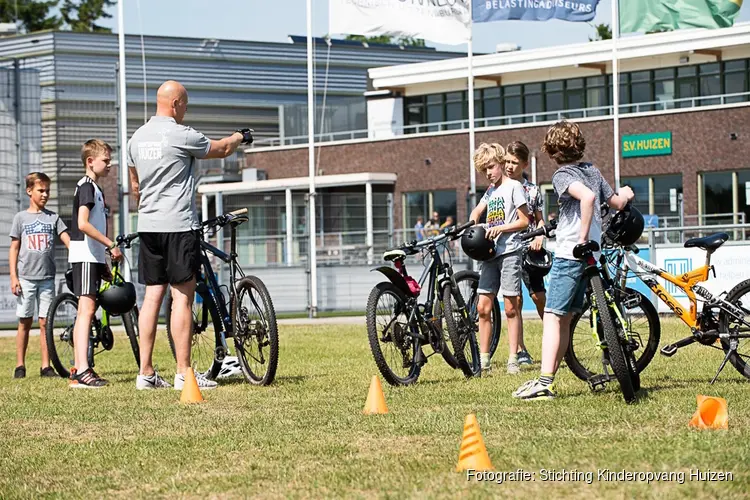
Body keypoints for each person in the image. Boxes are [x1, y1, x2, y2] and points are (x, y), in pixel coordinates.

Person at [128, 80, 253, 391]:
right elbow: (222, 149)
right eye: (185, 105)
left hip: (149, 225)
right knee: (182, 298)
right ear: (175, 104)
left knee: (151, 298)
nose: (185, 111)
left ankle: (145, 373)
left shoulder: (136, 138)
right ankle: (184, 373)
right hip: (178, 225)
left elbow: (134, 186)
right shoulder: (180, 134)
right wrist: (239, 136)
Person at [513, 121, 633, 401]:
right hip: (593, 255)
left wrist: (580, 239)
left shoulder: (562, 175)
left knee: (553, 317)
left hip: (571, 253)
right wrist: (626, 194)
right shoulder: (592, 170)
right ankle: (547, 378)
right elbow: (615, 202)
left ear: (553, 152)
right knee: (565, 318)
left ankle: (544, 383)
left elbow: (588, 198)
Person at [469, 143, 531, 375]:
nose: (488, 173)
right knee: (483, 307)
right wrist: (473, 225)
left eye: (491, 167)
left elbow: (525, 221)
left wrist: (502, 228)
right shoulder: (490, 191)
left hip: (510, 252)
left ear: (502, 164)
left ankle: (513, 358)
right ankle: (484, 362)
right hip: (490, 254)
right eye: (484, 169)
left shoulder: (514, 187)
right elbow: (477, 212)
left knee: (510, 308)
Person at [68, 140, 123, 388]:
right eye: (105, 160)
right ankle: (81, 369)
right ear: (90, 162)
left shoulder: (94, 189)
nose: (109, 164)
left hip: (92, 257)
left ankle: (82, 368)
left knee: (87, 312)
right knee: (86, 312)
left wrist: (103, 260)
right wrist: (110, 244)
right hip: (84, 256)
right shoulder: (87, 187)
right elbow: (82, 224)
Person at [9, 172, 70, 378]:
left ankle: (46, 366)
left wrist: (77, 253)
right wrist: (13, 276)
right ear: (29, 191)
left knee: (46, 322)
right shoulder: (21, 218)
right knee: (25, 321)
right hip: (26, 278)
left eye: (47, 191)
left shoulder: (53, 217)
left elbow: (66, 238)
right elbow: (14, 248)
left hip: (47, 279)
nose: (45, 194)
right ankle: (20, 365)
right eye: (40, 190)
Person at [505, 141, 546, 365]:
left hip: (531, 250)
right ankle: (521, 350)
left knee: (538, 297)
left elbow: (539, 219)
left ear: (523, 163)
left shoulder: (532, 190)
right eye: (507, 162)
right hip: (509, 250)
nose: (509, 167)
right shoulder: (499, 189)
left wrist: (540, 235)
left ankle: (556, 340)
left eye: (514, 162)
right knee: (516, 300)